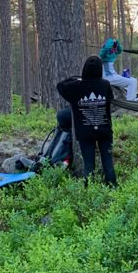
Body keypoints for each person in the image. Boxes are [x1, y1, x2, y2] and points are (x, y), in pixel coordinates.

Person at [57, 55, 117, 187]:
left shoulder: (77, 87)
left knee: (89, 165)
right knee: (108, 162)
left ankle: (89, 190)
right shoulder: (105, 85)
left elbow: (60, 86)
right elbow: (110, 101)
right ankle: (112, 187)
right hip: (104, 130)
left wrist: (76, 78)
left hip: (85, 133)